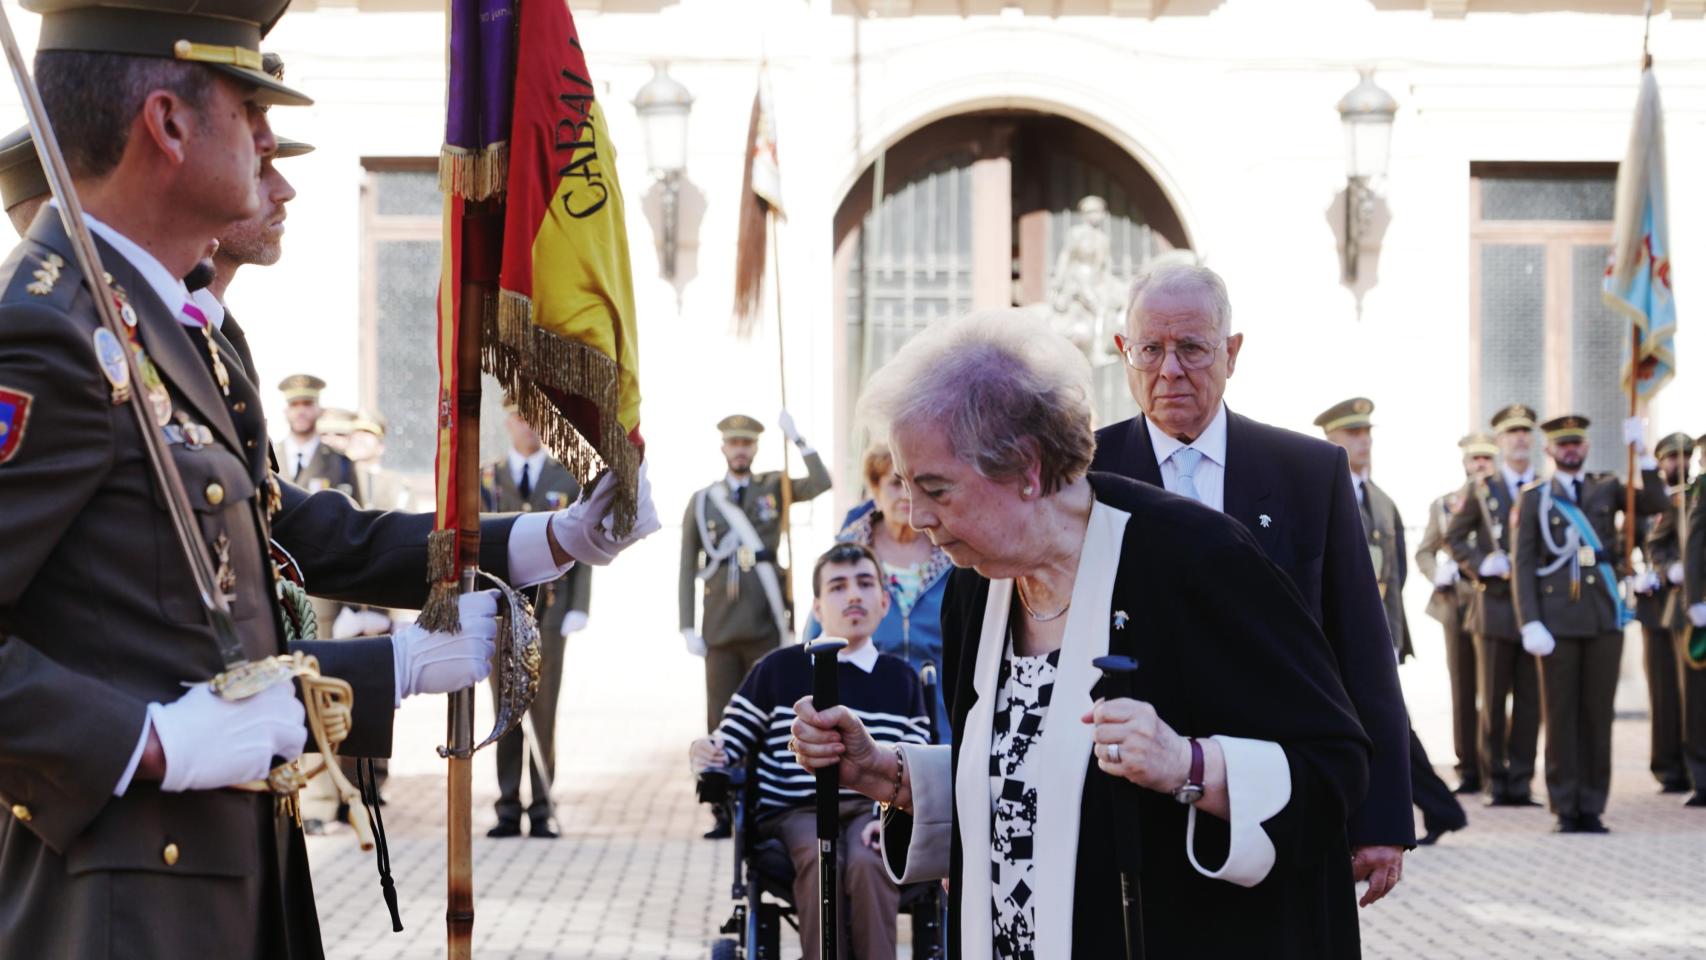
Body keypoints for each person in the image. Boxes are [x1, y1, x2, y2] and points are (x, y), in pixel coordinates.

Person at [0, 12, 657, 953]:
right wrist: (148, 742)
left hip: (219, 883)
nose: (273, 151)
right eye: (247, 109)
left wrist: (533, 539)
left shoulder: (156, 324)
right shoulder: (52, 334)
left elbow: (275, 535)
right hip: (124, 906)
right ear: (167, 124)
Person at [793, 310, 1371, 958]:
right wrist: (892, 776)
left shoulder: (1196, 561)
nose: (916, 517)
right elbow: (1031, 779)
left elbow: (1335, 768)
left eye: (936, 488)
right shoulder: (975, 583)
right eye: (905, 485)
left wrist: (1189, 764)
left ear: (1028, 468)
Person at [1088, 262, 1412, 902]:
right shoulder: (1085, 475)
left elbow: (1362, 649)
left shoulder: (1308, 472)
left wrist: (1381, 818)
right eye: (1150, 349)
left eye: (1192, 348)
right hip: (1129, 811)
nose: (1170, 370)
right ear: (1125, 352)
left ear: (1231, 353)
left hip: (1283, 802)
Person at [691, 542, 927, 960]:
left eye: (864, 584)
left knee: (872, 860)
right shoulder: (778, 669)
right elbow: (729, 740)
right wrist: (706, 750)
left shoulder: (902, 679)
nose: (853, 595)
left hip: (874, 808)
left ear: (884, 601)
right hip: (796, 810)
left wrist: (889, 818)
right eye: (838, 586)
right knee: (824, 857)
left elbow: (918, 765)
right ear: (817, 608)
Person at [1316, 398, 1466, 846]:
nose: (1362, 442)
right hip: (1336, 642)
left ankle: (1439, 809)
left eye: (1366, 434)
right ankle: (1440, 809)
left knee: (1390, 728)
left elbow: (1394, 576)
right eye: (1352, 434)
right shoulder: (1321, 491)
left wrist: (1396, 639)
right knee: (1383, 730)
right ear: (1331, 441)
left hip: (1377, 641)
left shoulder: (1382, 501)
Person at [680, 412, 832, 837]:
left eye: (747, 443)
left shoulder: (774, 487)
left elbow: (821, 482)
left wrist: (800, 441)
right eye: (734, 443)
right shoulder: (705, 500)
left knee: (766, 715)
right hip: (720, 627)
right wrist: (686, 625)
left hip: (765, 620)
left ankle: (763, 799)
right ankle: (722, 810)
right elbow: (686, 564)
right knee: (721, 716)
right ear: (723, 449)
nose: (740, 450)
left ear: (756, 448)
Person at [1513, 414, 1666, 834]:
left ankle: (1593, 805)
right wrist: (1530, 622)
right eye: (1562, 444)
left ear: (1586, 447)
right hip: (1556, 621)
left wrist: (1643, 454)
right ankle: (1565, 805)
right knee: (1561, 716)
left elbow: (1658, 504)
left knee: (1598, 716)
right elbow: (1523, 563)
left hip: (1602, 616)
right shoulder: (1535, 498)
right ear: (1549, 449)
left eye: (1577, 442)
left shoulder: (1607, 487)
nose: (1570, 449)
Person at [480, 406, 593, 839]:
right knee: (505, 709)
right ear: (506, 422)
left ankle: (542, 804)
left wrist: (579, 604)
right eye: (518, 417)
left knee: (542, 710)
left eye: (534, 419)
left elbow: (582, 543)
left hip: (550, 610)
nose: (526, 426)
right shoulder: (487, 479)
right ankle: (508, 806)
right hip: (501, 611)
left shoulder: (565, 480)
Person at [803, 442, 955, 741]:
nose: (907, 495)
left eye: (918, 483)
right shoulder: (849, 554)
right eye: (896, 483)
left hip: (943, 718)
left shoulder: (954, 553)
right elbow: (815, 641)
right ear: (875, 488)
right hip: (869, 718)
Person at [1447, 403, 1543, 807]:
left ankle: (1521, 781)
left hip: (1535, 610)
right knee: (1491, 697)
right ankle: (1494, 779)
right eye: (1512, 432)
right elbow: (1454, 537)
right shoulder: (1481, 488)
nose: (1520, 438)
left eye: (1525, 431)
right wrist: (1481, 562)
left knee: (1529, 701)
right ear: (1501, 441)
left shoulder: (1543, 487)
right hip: (1496, 607)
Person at [1416, 433, 1498, 794]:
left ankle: (1498, 764)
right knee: (1463, 688)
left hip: (1495, 605)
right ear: (1464, 463)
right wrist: (1438, 573)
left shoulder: (1508, 502)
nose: (1480, 464)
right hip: (1457, 606)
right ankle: (1468, 768)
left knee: (1496, 688)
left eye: (1486, 458)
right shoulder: (1445, 504)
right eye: (1474, 458)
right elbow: (1424, 551)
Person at [1631, 432, 1693, 794]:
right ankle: (1667, 766)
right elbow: (1631, 546)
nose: (1678, 464)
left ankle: (1692, 759)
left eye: (1683, 457)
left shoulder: (1693, 500)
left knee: (1692, 694)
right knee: (1663, 691)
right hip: (1655, 608)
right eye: (1670, 458)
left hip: (1687, 608)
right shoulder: (1645, 504)